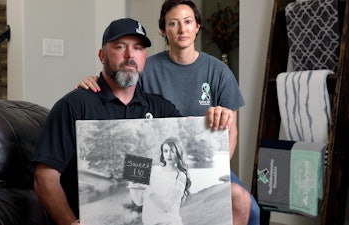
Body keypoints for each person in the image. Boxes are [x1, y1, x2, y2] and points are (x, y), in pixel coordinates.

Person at [76, 1, 260, 224]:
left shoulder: (219, 71)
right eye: (174, 23)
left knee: (250, 208)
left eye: (188, 22)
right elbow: (117, 89)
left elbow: (232, 133)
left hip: (196, 163)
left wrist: (215, 167)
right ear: (163, 30)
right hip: (155, 164)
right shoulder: (145, 68)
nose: (182, 30)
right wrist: (92, 82)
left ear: (197, 27)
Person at [33, 17, 228, 225]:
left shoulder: (161, 109)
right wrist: (70, 223)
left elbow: (186, 143)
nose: (130, 56)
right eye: (120, 47)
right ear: (102, 55)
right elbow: (45, 177)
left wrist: (217, 119)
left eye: (138, 48)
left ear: (144, 57)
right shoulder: (75, 105)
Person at [128, 137, 190, 225]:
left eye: (172, 151)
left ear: (178, 152)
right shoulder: (155, 170)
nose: (169, 154)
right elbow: (139, 201)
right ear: (162, 153)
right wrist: (133, 182)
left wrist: (148, 189)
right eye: (165, 151)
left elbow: (167, 207)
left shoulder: (180, 176)